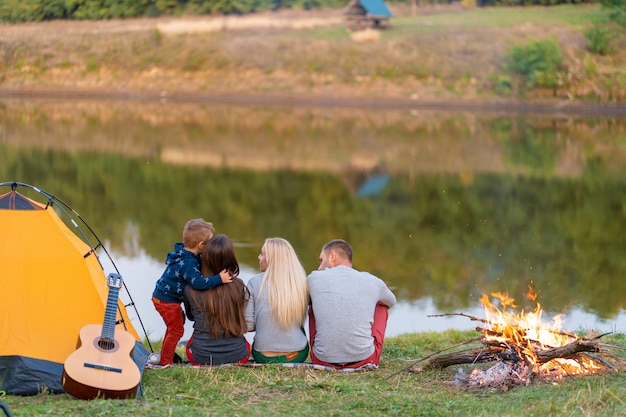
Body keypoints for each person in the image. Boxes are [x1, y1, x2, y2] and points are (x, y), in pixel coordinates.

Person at [151, 219, 232, 366]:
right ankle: (165, 362)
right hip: (166, 301)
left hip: (162, 297)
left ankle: (165, 355)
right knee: (176, 331)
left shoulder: (185, 254)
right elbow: (198, 283)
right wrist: (219, 278)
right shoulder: (189, 263)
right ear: (201, 245)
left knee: (175, 326)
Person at [307, 239, 396, 369]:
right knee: (381, 305)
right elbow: (391, 301)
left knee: (311, 302)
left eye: (321, 260)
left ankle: (327, 350)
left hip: (322, 360)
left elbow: (298, 302)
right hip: (365, 360)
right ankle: (363, 346)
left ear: (332, 256)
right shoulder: (372, 280)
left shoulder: (314, 278)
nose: (319, 268)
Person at [183, 234, 250, 366]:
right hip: (238, 356)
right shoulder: (238, 285)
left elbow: (191, 317)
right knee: (244, 343)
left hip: (199, 357)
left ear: (205, 258)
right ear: (231, 258)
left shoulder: (189, 289)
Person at [244, 237, 309, 363]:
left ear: (272, 259)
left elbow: (248, 326)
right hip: (296, 355)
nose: (258, 257)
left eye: (262, 254)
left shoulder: (254, 283)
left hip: (263, 357)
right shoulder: (301, 283)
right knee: (297, 324)